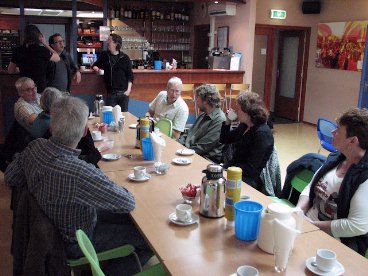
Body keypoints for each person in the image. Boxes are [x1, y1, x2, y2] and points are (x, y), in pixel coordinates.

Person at [5, 96, 152, 274]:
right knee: (148, 238)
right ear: (84, 131)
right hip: (76, 241)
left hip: (59, 225)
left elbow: (10, 177)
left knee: (132, 220)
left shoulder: (35, 147)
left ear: (51, 128)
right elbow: (127, 202)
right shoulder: (79, 173)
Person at [297, 108, 368, 256]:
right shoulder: (336, 158)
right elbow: (310, 187)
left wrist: (312, 225)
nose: (333, 133)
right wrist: (298, 211)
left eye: (338, 130)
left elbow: (357, 226)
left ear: (353, 140)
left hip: (334, 243)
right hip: (306, 227)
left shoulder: (364, 177)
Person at [220, 91, 274, 190]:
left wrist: (227, 170)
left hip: (248, 179)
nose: (236, 112)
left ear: (247, 111)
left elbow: (251, 169)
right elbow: (224, 139)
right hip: (234, 171)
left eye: (238, 109)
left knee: (216, 184)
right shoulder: (244, 126)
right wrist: (227, 121)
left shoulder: (262, 134)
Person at [178, 84, 225, 163]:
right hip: (192, 153)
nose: (195, 101)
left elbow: (203, 146)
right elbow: (189, 133)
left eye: (197, 98)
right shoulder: (203, 114)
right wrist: (178, 144)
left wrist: (183, 151)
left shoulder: (220, 120)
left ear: (205, 101)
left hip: (205, 159)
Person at [8, 24, 60, 93]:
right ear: (38, 36)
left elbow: (10, 70)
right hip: (40, 88)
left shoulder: (18, 50)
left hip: (25, 87)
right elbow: (57, 58)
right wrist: (44, 43)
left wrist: (20, 69)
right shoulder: (42, 50)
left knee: (25, 103)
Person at [92, 34, 133, 112]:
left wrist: (128, 91)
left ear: (116, 43)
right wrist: (95, 68)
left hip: (124, 93)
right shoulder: (105, 55)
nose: (107, 42)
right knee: (111, 116)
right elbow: (95, 64)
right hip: (111, 92)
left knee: (124, 116)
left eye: (109, 41)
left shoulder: (125, 57)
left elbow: (130, 76)